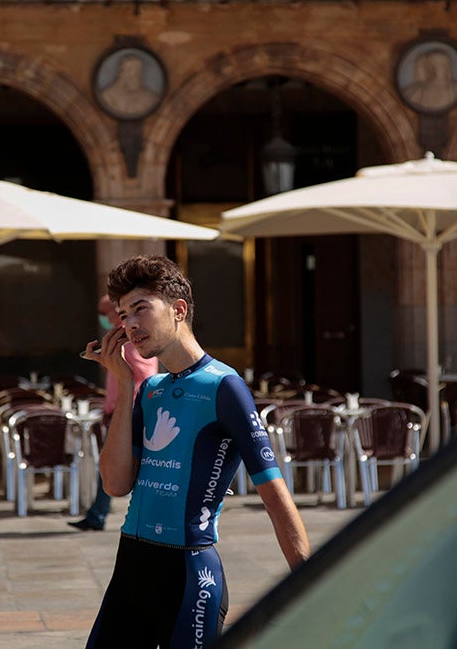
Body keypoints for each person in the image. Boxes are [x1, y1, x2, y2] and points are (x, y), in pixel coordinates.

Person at [81, 255, 310, 648]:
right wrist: (126, 382)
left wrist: (315, 586)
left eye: (140, 309)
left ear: (178, 309)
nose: (129, 324)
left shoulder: (224, 386)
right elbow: (116, 484)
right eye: (122, 314)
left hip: (189, 577)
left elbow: (275, 495)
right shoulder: (150, 391)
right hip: (131, 568)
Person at [69, 295, 158, 532]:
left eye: (105, 312)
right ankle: (98, 514)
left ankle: (100, 515)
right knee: (111, 466)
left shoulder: (128, 337)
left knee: (120, 466)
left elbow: (142, 373)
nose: (103, 317)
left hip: (130, 411)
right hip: (119, 410)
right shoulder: (118, 338)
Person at [98, 53, 162, 118]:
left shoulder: (150, 97)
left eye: (139, 72)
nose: (138, 77)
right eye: (133, 72)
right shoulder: (107, 96)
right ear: (122, 73)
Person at [402, 47, 457, 112]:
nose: (443, 69)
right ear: (427, 68)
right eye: (435, 65)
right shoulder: (412, 92)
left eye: (445, 65)